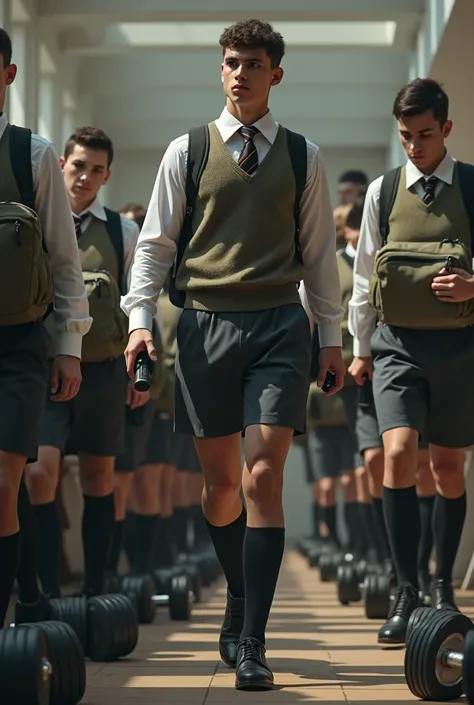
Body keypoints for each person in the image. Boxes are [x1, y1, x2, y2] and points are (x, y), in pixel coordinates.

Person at [121, 18, 344, 690]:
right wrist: (138, 321)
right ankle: (242, 594)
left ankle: (253, 638)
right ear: (220, 71)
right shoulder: (184, 151)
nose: (239, 72)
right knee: (221, 489)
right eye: (230, 62)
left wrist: (329, 337)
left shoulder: (303, 155)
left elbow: (319, 257)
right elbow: (156, 246)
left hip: (280, 327)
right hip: (204, 329)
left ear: (276, 73)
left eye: (252, 63)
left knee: (261, 477)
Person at [349, 77, 472, 645]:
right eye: (406, 136)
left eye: (425, 135)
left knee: (447, 468)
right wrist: (358, 349)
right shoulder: (382, 191)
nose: (415, 146)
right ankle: (406, 588)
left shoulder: (471, 187)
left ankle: (442, 584)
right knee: (397, 454)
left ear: (446, 129)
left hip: (459, 348)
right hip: (395, 346)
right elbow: (363, 275)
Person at [24, 127, 142, 605]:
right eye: (77, 166)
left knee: (100, 479)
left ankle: (98, 588)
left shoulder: (122, 230)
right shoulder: (36, 223)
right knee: (38, 474)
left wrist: (141, 366)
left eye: (96, 169)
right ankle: (47, 589)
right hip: (45, 368)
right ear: (60, 166)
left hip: (104, 370)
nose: (85, 177)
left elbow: (139, 301)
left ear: (107, 175)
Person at [0, 28, 91, 628]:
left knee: (5, 479)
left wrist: (69, 347)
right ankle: (29, 593)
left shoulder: (30, 154)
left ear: (8, 75)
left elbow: (64, 258)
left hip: (19, 346)